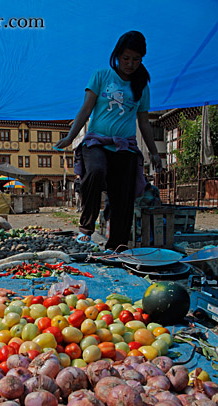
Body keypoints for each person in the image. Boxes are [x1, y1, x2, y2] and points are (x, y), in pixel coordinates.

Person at [55, 30, 162, 251]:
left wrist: (153, 152)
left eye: (136, 59)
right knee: (95, 171)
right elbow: (85, 110)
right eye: (126, 58)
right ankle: (85, 229)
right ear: (117, 55)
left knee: (123, 194)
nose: (130, 64)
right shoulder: (101, 76)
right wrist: (70, 137)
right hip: (96, 142)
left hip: (124, 146)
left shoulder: (142, 87)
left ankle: (117, 245)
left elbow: (144, 123)